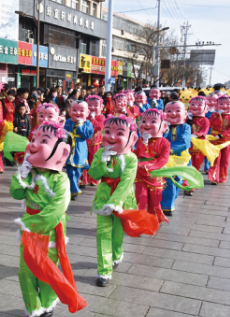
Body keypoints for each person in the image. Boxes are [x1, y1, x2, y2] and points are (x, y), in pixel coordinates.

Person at [10, 121, 86, 317]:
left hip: (49, 231)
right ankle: (32, 309)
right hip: (28, 229)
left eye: (43, 141)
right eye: (33, 139)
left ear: (61, 152)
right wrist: (21, 175)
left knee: (46, 271)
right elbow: (16, 193)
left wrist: (28, 224)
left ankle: (46, 303)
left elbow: (56, 210)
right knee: (25, 271)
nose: (33, 145)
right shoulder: (30, 172)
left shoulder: (60, 180)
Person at [88, 115, 139, 287]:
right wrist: (102, 162)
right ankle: (104, 270)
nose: (111, 137)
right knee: (103, 233)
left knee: (117, 233)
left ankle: (117, 254)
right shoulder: (100, 153)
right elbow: (93, 175)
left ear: (132, 138)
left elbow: (126, 183)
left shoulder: (131, 159)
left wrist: (115, 202)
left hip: (122, 200)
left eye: (119, 133)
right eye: (107, 131)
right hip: (102, 196)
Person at [134, 109, 171, 225]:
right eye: (143, 121)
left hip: (155, 176)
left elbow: (163, 159)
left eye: (153, 121)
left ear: (163, 126)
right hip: (140, 174)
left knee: (155, 201)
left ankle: (154, 220)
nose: (147, 124)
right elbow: (137, 154)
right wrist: (144, 142)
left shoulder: (164, 142)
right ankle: (140, 222)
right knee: (141, 198)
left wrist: (151, 167)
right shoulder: (141, 140)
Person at [161, 101, 191, 216]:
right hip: (165, 158)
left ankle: (170, 201)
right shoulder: (163, 126)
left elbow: (184, 141)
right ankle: (167, 206)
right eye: (169, 111)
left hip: (180, 159)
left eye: (178, 111)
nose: (173, 113)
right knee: (168, 180)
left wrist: (169, 149)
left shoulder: (186, 127)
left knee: (177, 180)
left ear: (185, 114)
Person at [65, 101, 94, 200]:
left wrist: (80, 125)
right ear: (70, 111)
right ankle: (73, 189)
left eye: (81, 111)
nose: (77, 113)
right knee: (70, 171)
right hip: (69, 148)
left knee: (77, 171)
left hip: (80, 149)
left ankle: (73, 188)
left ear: (87, 112)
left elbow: (86, 135)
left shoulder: (88, 123)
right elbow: (63, 133)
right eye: (74, 110)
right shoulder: (68, 122)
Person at [208, 95, 230, 185]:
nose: (224, 106)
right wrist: (217, 115)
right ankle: (214, 177)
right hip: (215, 140)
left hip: (226, 141)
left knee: (225, 160)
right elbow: (210, 124)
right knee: (215, 159)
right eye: (221, 104)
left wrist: (222, 134)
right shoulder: (214, 115)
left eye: (227, 104)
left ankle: (222, 176)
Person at [82, 96, 105, 187]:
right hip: (84, 141)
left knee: (93, 161)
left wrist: (93, 119)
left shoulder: (101, 116)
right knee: (84, 160)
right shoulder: (85, 116)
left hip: (95, 142)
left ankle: (94, 179)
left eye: (95, 105)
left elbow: (99, 127)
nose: (92, 108)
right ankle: (84, 179)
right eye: (89, 105)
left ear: (101, 107)